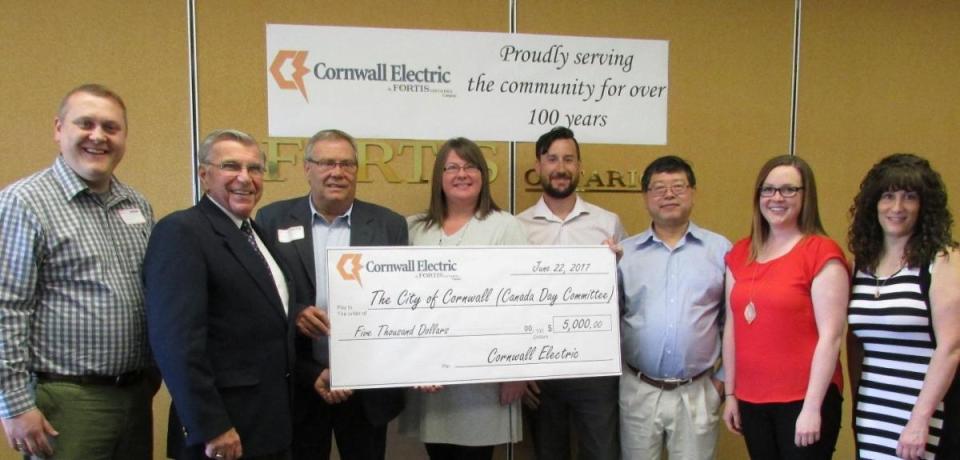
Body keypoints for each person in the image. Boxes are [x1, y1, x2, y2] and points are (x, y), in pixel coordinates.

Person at [0, 84, 158, 459]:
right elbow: (6, 310)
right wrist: (17, 405)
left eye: (111, 127)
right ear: (59, 129)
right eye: (85, 124)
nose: (98, 137)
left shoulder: (136, 204)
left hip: (135, 396)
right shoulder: (24, 203)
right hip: (68, 401)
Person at [256, 129, 407, 460]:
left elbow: (399, 302)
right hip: (301, 379)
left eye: (346, 163)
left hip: (366, 384)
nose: (336, 172)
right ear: (307, 168)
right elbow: (261, 293)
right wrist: (296, 311)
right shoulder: (272, 219)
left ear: (356, 170)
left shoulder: (388, 225)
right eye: (326, 162)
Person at [145, 129, 293, 460]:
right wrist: (211, 425)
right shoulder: (182, 232)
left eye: (255, 169)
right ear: (204, 175)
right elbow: (176, 342)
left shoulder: (256, 234)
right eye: (231, 166)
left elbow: (262, 316)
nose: (245, 178)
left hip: (269, 426)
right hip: (222, 435)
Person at [400, 137, 528, 460]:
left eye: (470, 166)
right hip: (430, 378)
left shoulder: (505, 226)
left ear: (483, 175)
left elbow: (523, 302)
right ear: (439, 177)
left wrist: (518, 370)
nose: (462, 173)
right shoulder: (414, 229)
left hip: (484, 381)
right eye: (452, 167)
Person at [722, 155, 848, 459]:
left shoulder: (821, 252)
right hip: (751, 399)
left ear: (807, 196)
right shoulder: (740, 253)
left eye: (789, 190)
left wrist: (812, 407)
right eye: (768, 190)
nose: (776, 198)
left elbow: (831, 337)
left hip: (804, 400)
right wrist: (730, 394)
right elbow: (731, 327)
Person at [516, 126, 625, 460]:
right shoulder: (517, 226)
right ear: (538, 167)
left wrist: (616, 264)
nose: (560, 167)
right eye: (551, 159)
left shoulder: (608, 223)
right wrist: (521, 371)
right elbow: (510, 303)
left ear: (579, 166)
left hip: (596, 370)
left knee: (603, 454)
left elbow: (625, 295)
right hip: (541, 373)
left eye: (568, 159)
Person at [847, 153, 960, 460]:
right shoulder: (860, 263)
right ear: (874, 204)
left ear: (925, 206)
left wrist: (919, 419)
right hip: (873, 408)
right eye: (888, 196)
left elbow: (950, 347)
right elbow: (855, 342)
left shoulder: (943, 261)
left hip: (925, 411)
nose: (897, 208)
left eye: (909, 197)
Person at [618, 155, 731, 460]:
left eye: (678, 186)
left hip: (697, 390)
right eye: (659, 188)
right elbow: (610, 320)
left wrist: (724, 380)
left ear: (693, 192)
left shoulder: (720, 251)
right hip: (638, 389)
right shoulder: (624, 253)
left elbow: (733, 322)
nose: (668, 195)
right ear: (646, 198)